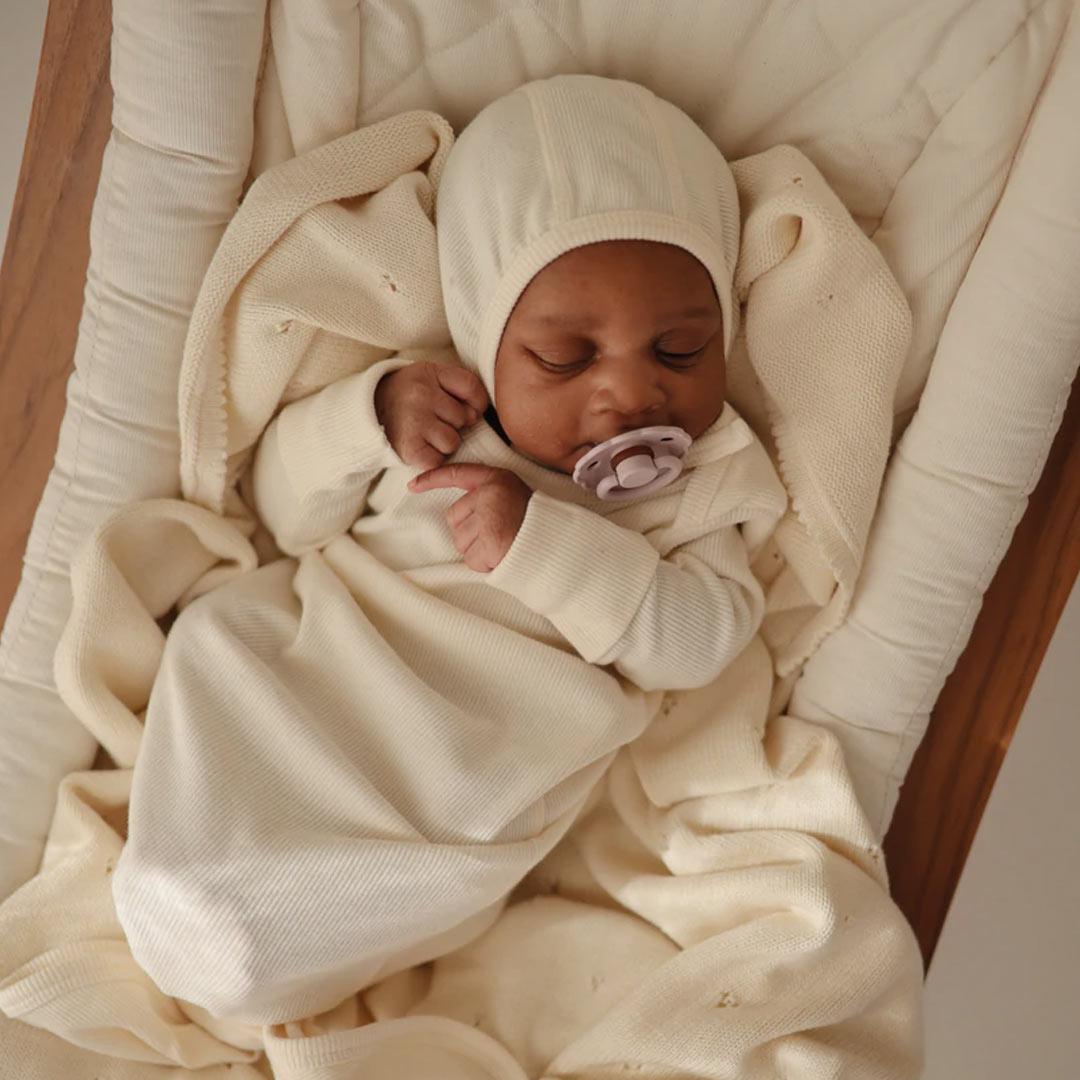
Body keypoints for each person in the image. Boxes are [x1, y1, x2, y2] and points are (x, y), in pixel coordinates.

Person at [112, 73, 788, 1024]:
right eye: (566, 358)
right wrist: (368, 419)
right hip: (314, 669)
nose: (631, 396)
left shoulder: (704, 480)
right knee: (219, 645)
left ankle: (261, 940)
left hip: (475, 764)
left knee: (444, 847)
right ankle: (188, 881)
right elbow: (284, 514)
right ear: (485, 334)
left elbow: (701, 642)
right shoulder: (441, 416)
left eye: (681, 351)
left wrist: (546, 548)